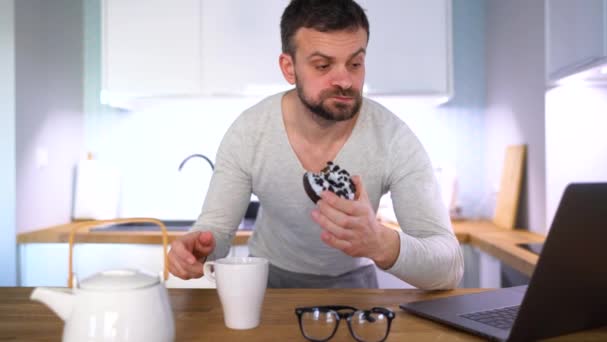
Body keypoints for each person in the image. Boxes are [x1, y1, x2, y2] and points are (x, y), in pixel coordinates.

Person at [168, 0, 463, 289]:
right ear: (289, 67)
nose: (345, 80)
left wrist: (382, 243)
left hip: (356, 288)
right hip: (268, 283)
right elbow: (216, 230)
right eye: (323, 65)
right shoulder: (249, 132)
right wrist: (198, 249)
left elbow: (450, 268)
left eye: (355, 63)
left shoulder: (394, 139)